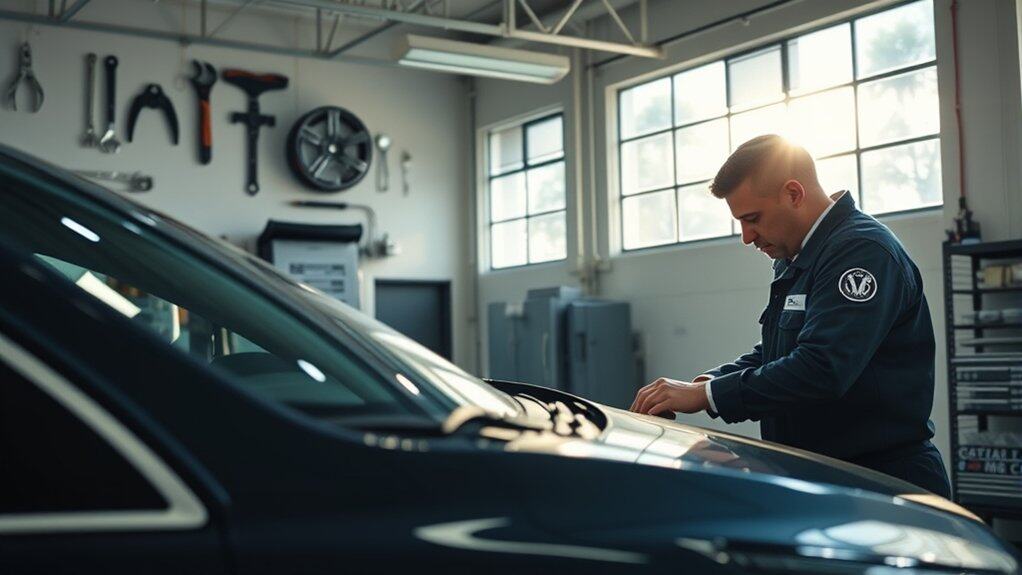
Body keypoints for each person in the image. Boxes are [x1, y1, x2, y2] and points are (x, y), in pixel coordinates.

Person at [629, 134, 951, 498]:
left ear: (794, 194)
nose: (747, 237)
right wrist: (706, 382)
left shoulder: (861, 252)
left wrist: (709, 396)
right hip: (826, 472)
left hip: (882, 481)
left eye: (753, 219)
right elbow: (781, 350)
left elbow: (821, 368)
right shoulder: (795, 257)